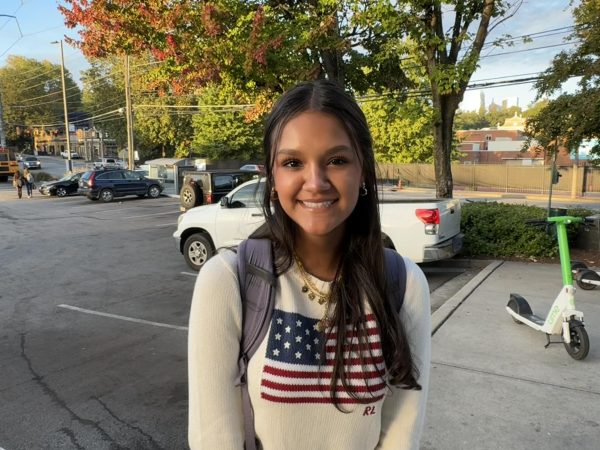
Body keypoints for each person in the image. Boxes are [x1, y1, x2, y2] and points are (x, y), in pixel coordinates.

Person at [188, 80, 431, 450]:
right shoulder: (227, 281)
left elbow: (402, 430)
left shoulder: (403, 282)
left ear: (362, 170)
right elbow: (214, 438)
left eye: (336, 160)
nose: (315, 182)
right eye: (293, 162)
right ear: (273, 178)